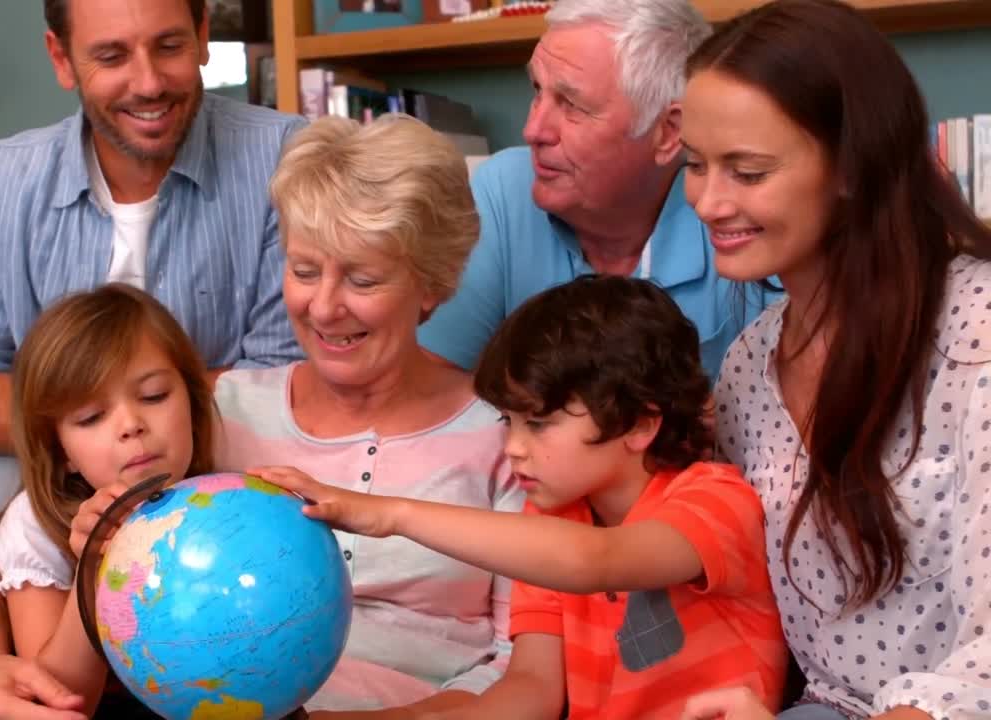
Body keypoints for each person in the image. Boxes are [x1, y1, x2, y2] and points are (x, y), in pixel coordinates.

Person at [0, 114, 522, 719]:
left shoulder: (509, 439)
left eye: (363, 279)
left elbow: (522, 671)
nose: (323, 307)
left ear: (432, 284)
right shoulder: (213, 412)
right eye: (304, 271)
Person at [257, 274, 789, 720]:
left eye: (537, 423)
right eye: (507, 421)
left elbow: (594, 560)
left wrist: (390, 514)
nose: (512, 447)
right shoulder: (552, 522)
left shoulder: (715, 500)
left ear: (639, 425)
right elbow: (531, 691)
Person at [670, 1, 991, 719]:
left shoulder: (978, 332)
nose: (708, 202)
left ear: (852, 167)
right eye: (694, 165)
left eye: (747, 171)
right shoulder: (750, 363)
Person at [0, 0, 304, 457]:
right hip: (61, 501)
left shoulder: (288, 160)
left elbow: (290, 386)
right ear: (62, 59)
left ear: (202, 36)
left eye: (169, 46)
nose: (149, 84)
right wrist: (126, 418)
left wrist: (75, 416)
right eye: (113, 57)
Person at [0, 283, 218, 720]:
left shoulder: (222, 496)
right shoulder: (34, 525)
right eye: (91, 417)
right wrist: (93, 568)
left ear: (193, 404)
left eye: (154, 395)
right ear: (62, 452)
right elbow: (62, 698)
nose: (131, 424)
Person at [417, 0, 777, 380]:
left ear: (670, 131)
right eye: (537, 90)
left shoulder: (737, 220)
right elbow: (429, 387)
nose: (533, 130)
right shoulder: (503, 191)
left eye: (572, 105)